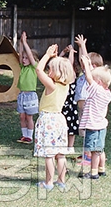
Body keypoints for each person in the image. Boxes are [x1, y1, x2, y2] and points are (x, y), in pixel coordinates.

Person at [34, 44, 75, 190]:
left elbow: (38, 69)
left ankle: (49, 182)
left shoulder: (51, 85)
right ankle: (61, 180)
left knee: (49, 155)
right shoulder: (66, 85)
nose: (48, 71)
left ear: (56, 72)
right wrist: (55, 57)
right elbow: (62, 67)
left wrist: (46, 55)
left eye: (50, 69)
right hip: (60, 120)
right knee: (60, 153)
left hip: (48, 121)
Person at [79, 56, 111, 179]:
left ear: (98, 82)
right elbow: (92, 77)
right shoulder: (106, 93)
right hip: (101, 126)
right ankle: (101, 169)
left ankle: (93, 172)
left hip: (93, 126)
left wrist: (87, 64)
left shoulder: (97, 90)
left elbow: (88, 77)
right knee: (100, 149)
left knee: (94, 151)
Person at [74, 34, 104, 166]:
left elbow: (85, 60)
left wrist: (83, 46)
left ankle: (89, 157)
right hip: (82, 110)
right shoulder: (84, 74)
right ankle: (87, 154)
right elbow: (83, 59)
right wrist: (80, 47)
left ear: (94, 66)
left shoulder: (92, 76)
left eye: (87, 64)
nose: (83, 64)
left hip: (88, 110)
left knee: (88, 133)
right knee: (84, 133)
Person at [16, 31, 39, 144]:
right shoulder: (23, 67)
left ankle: (29, 136)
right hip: (22, 95)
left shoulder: (34, 68)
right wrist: (21, 43)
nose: (24, 59)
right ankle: (24, 135)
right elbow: (20, 54)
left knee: (29, 117)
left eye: (26, 58)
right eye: (23, 58)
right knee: (22, 117)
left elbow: (30, 54)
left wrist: (25, 43)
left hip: (30, 96)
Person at [59, 44, 79, 151]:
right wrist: (63, 52)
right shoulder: (61, 78)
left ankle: (70, 147)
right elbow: (57, 62)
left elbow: (69, 67)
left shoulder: (72, 76)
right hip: (62, 104)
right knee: (63, 126)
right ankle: (63, 145)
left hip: (70, 105)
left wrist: (71, 52)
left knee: (71, 127)